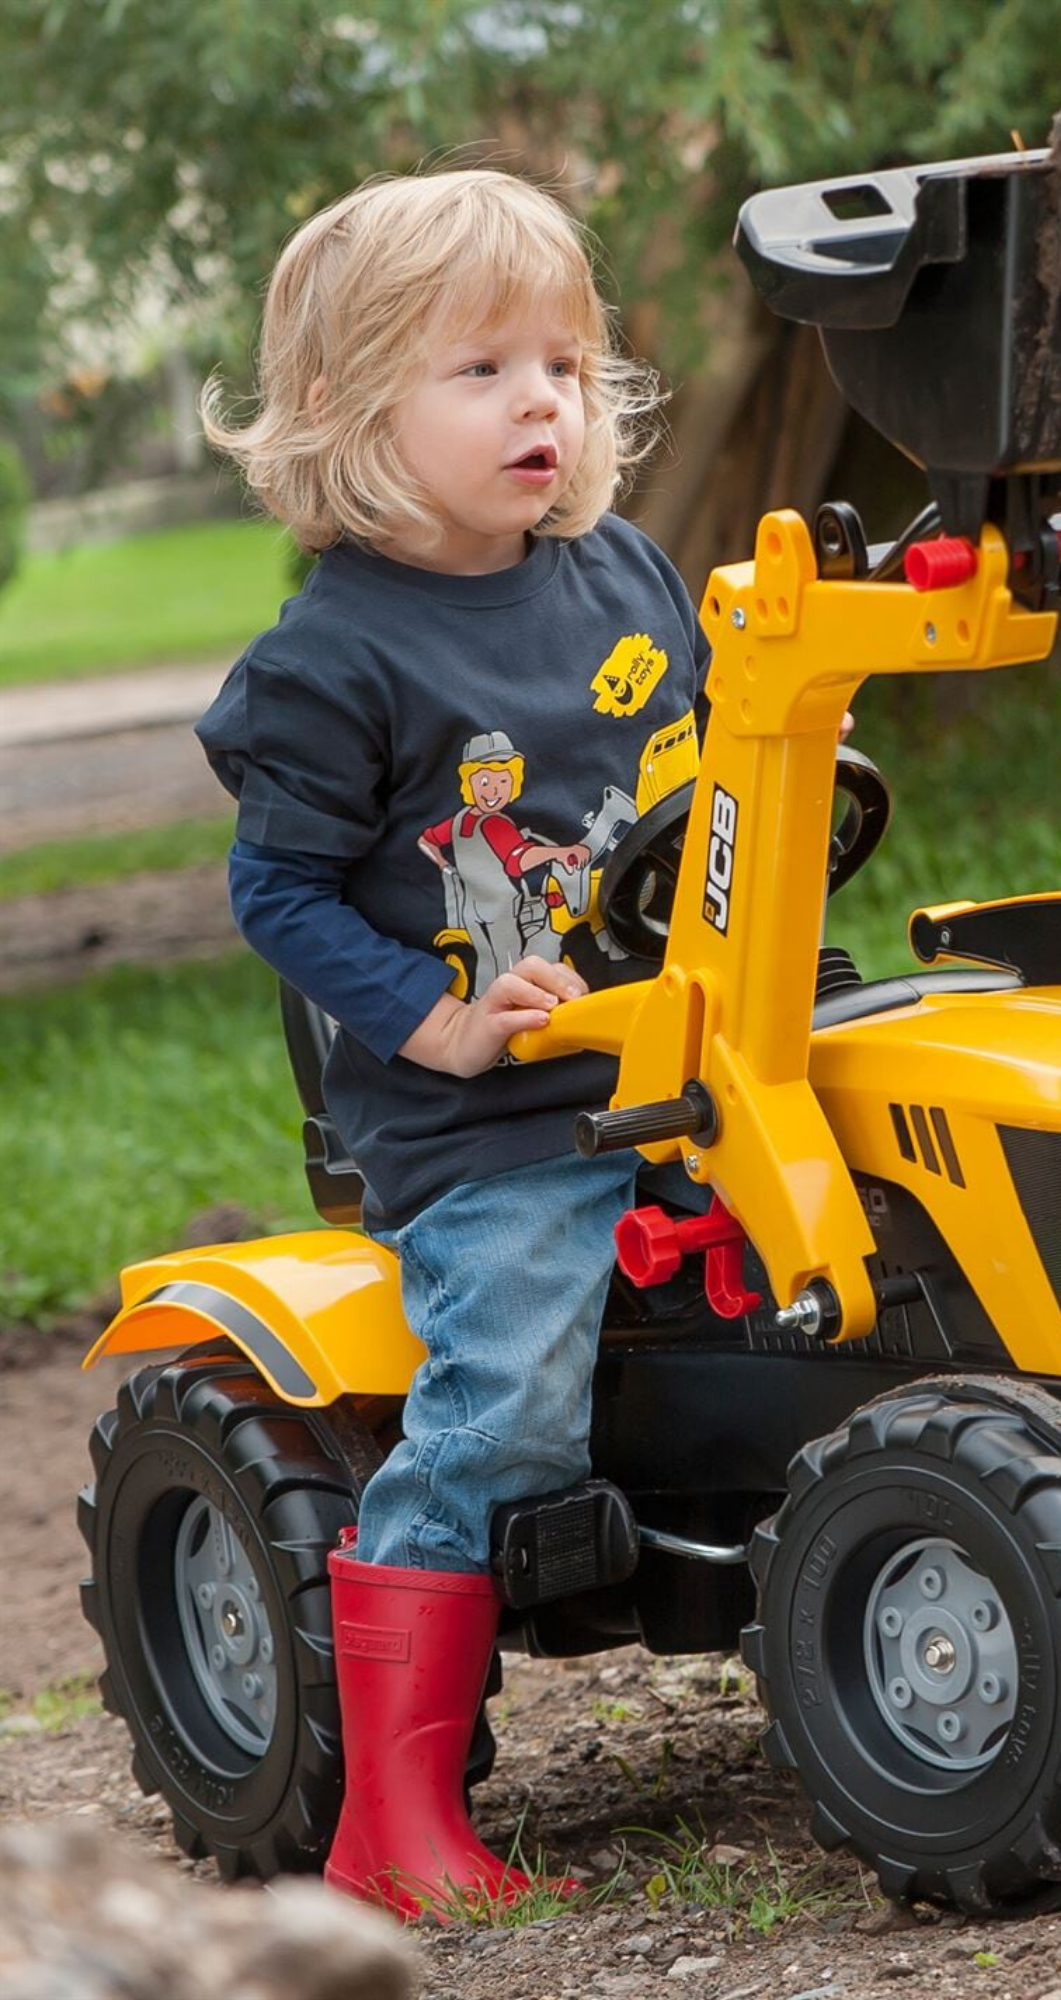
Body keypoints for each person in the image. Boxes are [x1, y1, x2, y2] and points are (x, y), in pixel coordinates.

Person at [195, 168, 707, 1919]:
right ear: (345, 412)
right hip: (494, 1132)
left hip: (679, 1054)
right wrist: (442, 1025)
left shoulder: (624, 574)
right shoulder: (334, 662)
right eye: (481, 369)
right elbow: (278, 897)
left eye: (564, 364)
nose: (541, 404)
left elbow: (698, 798)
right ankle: (389, 1822)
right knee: (505, 1407)